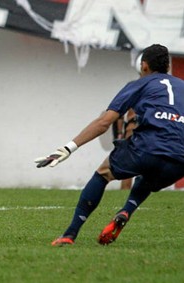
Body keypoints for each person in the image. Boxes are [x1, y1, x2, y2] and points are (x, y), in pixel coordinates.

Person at [35, 44, 184, 246]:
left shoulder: (140, 84)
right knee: (148, 177)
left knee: (103, 173)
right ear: (167, 66)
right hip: (179, 159)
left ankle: (69, 234)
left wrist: (69, 147)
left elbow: (104, 122)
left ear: (144, 65)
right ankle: (126, 211)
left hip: (148, 148)